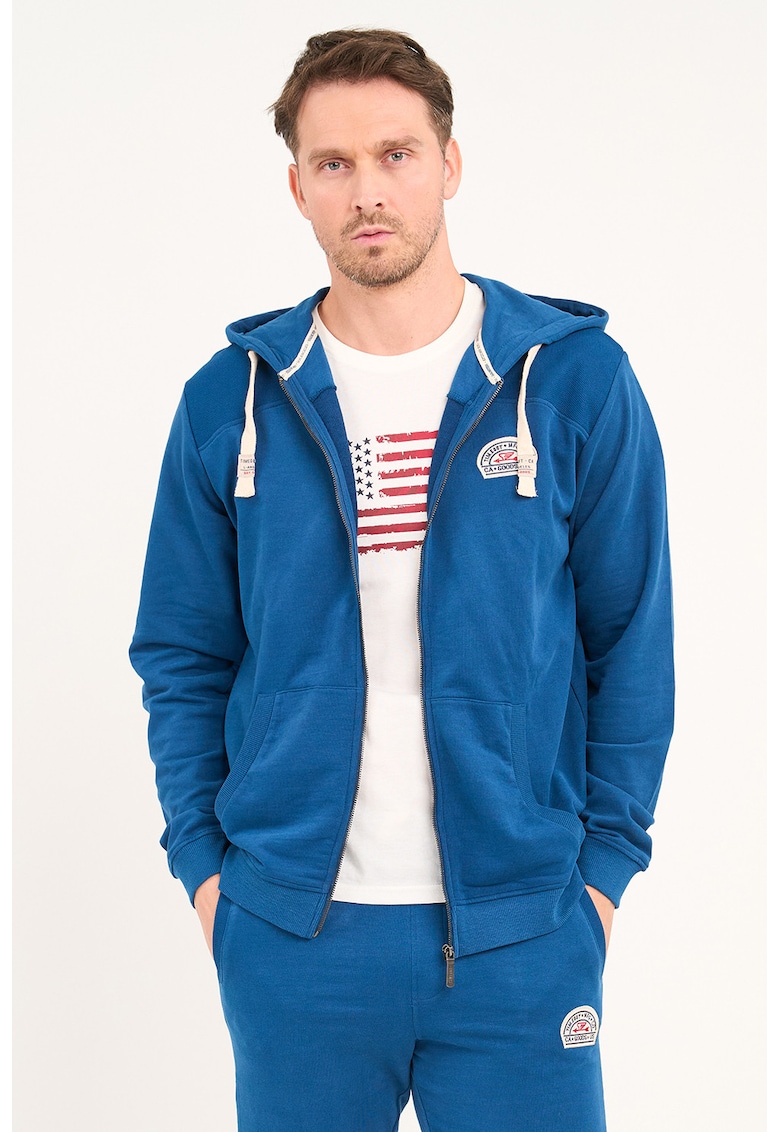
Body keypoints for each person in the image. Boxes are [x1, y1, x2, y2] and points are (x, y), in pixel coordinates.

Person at [130, 27, 674, 1132]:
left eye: (396, 154)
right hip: (294, 938)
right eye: (333, 163)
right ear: (298, 188)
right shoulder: (229, 402)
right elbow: (183, 653)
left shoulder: (574, 383)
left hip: (525, 936)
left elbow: (631, 642)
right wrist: (210, 878)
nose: (367, 191)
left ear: (449, 163)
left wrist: (602, 879)